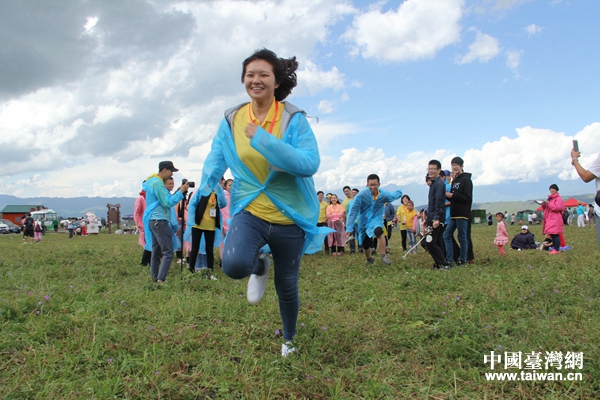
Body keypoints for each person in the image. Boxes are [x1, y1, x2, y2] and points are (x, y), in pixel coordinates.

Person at [197, 49, 326, 357]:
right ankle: (258, 265)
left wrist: (264, 139)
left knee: (286, 284)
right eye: (250, 74)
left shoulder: (293, 119)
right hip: (250, 208)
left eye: (263, 74)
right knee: (234, 264)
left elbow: (308, 163)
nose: (256, 80)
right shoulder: (232, 118)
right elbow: (218, 155)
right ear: (244, 80)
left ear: (276, 80)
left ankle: (289, 340)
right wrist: (204, 186)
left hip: (289, 214)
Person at [142, 161, 189, 283]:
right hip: (160, 220)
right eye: (171, 171)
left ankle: (155, 277)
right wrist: (181, 192)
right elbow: (167, 202)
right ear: (164, 170)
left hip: (153, 220)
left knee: (156, 251)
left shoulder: (151, 181)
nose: (171, 174)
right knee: (168, 252)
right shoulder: (158, 183)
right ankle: (161, 279)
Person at [346, 174, 402, 266]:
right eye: (370, 184)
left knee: (378, 231)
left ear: (379, 184)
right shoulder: (361, 195)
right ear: (367, 184)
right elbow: (353, 211)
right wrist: (349, 227)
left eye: (375, 184)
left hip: (377, 218)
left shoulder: (383, 194)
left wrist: (399, 193)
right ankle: (369, 259)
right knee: (366, 244)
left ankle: (384, 256)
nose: (373, 187)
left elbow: (392, 196)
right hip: (364, 221)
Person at [186, 183, 226, 280]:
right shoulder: (201, 190)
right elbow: (192, 205)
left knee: (209, 250)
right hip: (198, 224)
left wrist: (219, 191)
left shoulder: (216, 192)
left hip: (210, 226)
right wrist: (191, 220)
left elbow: (223, 204)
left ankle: (209, 272)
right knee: (195, 248)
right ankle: (191, 271)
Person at [443, 156, 473, 267]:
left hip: (462, 213)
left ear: (461, 166)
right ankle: (450, 259)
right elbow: (454, 197)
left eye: (456, 165)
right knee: (446, 235)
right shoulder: (455, 180)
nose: (454, 167)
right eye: (452, 165)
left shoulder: (466, 180)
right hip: (453, 213)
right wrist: (448, 196)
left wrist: (453, 195)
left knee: (462, 237)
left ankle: (463, 260)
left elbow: (467, 197)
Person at [426, 160, 449, 269]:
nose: (431, 171)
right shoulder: (434, 183)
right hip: (433, 216)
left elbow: (439, 202)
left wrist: (436, 219)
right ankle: (439, 263)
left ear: (439, 170)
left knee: (430, 241)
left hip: (437, 217)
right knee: (438, 240)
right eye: (429, 168)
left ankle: (443, 264)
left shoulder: (439, 184)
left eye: (433, 169)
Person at [541, 183, 565, 255]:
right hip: (550, 218)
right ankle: (555, 248)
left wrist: (549, 203)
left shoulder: (559, 199)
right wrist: (544, 204)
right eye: (551, 189)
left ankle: (557, 249)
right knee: (552, 234)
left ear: (556, 190)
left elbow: (557, 208)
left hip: (556, 218)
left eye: (553, 189)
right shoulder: (550, 199)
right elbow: (547, 208)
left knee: (555, 234)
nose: (552, 190)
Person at [134, 188, 152, 266]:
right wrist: (140, 225)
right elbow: (136, 213)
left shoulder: (150, 198)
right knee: (148, 244)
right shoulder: (141, 199)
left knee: (151, 244)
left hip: (150, 224)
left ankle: (150, 262)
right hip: (144, 225)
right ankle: (144, 263)